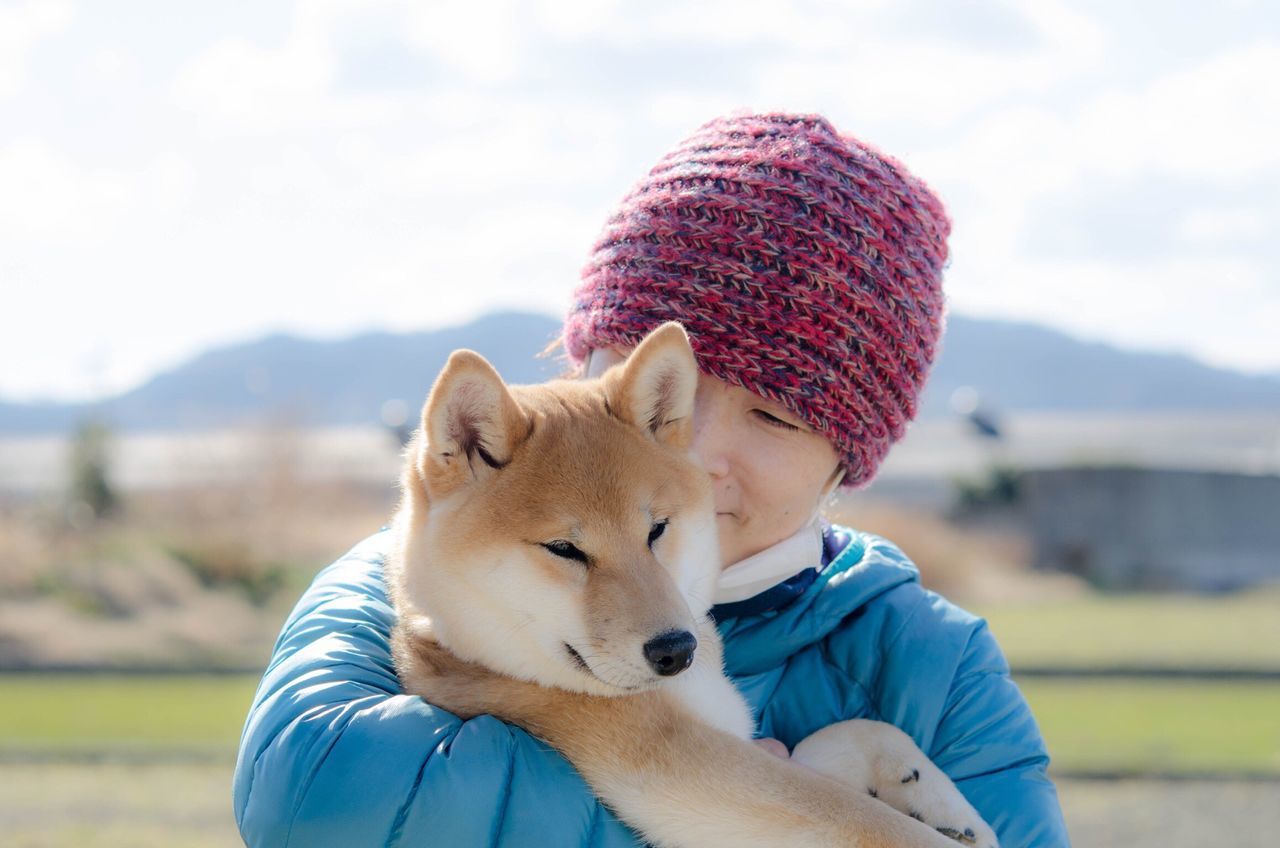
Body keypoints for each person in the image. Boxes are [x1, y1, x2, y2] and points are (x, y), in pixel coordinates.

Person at [233, 111, 1071, 847]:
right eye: (661, 398)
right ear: (584, 363)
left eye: (773, 417)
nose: (694, 457)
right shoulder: (402, 583)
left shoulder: (930, 663)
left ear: (843, 462)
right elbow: (312, 800)